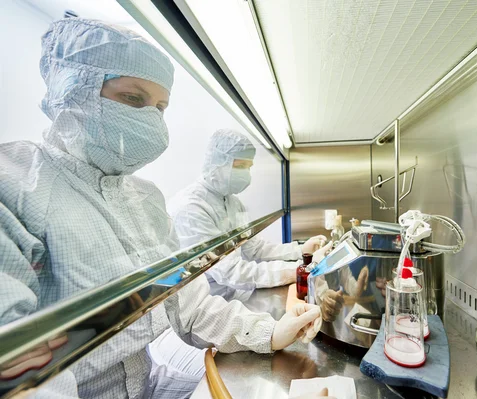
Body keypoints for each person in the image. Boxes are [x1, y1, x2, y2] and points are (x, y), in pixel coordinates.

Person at [0, 18, 321, 398]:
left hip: (145, 383)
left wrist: (268, 332)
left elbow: (190, 304)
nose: (151, 121)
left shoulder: (145, 199)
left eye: (161, 107)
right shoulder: (15, 185)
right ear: (73, 89)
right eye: (134, 99)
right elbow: (20, 373)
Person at [168, 129, 330, 295]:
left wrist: (300, 250)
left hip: (234, 294)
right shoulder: (190, 209)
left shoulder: (233, 202)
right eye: (240, 166)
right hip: (208, 302)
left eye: (248, 167)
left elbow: (254, 249)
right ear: (218, 163)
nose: (246, 174)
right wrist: (302, 268)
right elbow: (230, 272)